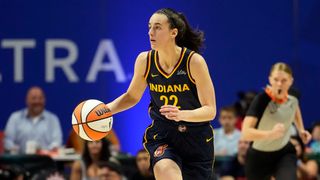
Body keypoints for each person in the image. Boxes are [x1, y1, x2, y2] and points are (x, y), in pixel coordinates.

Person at [106, 8, 216, 180]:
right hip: (163, 135)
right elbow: (131, 97)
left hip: (197, 140)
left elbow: (210, 110)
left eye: (157, 27)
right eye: (149, 27)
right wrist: (106, 110)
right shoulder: (145, 60)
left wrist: (181, 114)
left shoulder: (194, 62)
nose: (151, 32)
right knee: (166, 171)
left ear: (173, 32)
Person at [242, 62, 312, 180]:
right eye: (276, 79)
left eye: (284, 80)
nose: (279, 84)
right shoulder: (261, 100)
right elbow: (246, 133)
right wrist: (271, 134)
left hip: (284, 152)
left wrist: (301, 129)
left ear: (291, 81)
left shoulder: (293, 97)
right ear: (270, 79)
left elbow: (294, 108)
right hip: (259, 156)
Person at [4, 86, 63, 154]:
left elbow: (57, 142)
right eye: (33, 98)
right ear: (27, 100)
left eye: (40, 98)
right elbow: (8, 141)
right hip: (20, 161)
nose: (37, 101)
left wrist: (43, 152)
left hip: (46, 161)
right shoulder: (15, 118)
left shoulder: (53, 119)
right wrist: (15, 150)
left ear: (44, 100)